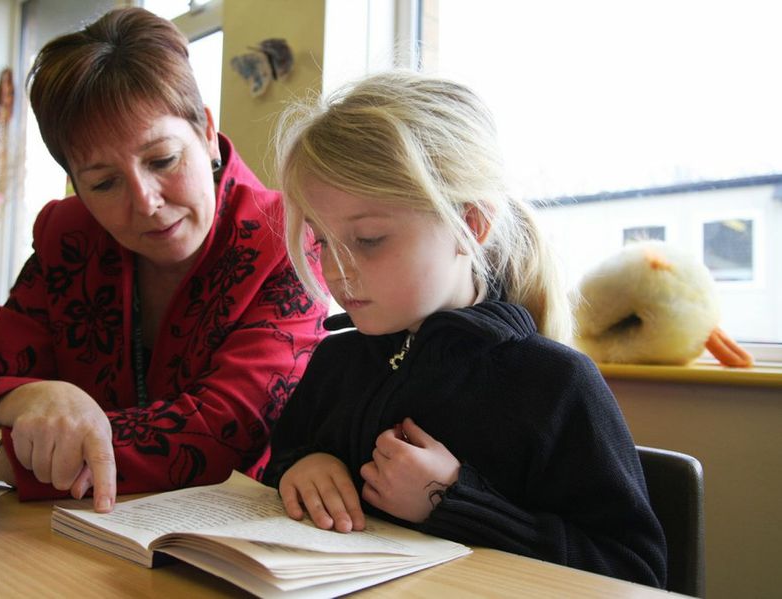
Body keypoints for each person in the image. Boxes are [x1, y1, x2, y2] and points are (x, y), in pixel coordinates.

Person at [0, 7, 325, 513]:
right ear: (74, 181)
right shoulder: (68, 235)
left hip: (227, 547)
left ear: (205, 130)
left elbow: (223, 434)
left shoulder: (286, 238)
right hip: (64, 536)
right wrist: (32, 396)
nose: (145, 202)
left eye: (162, 160)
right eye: (103, 183)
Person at [262, 71, 667, 588]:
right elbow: (282, 463)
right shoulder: (334, 362)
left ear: (470, 226)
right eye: (321, 240)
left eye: (367, 239)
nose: (336, 270)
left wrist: (452, 500)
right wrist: (303, 467)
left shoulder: (554, 385)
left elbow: (637, 573)